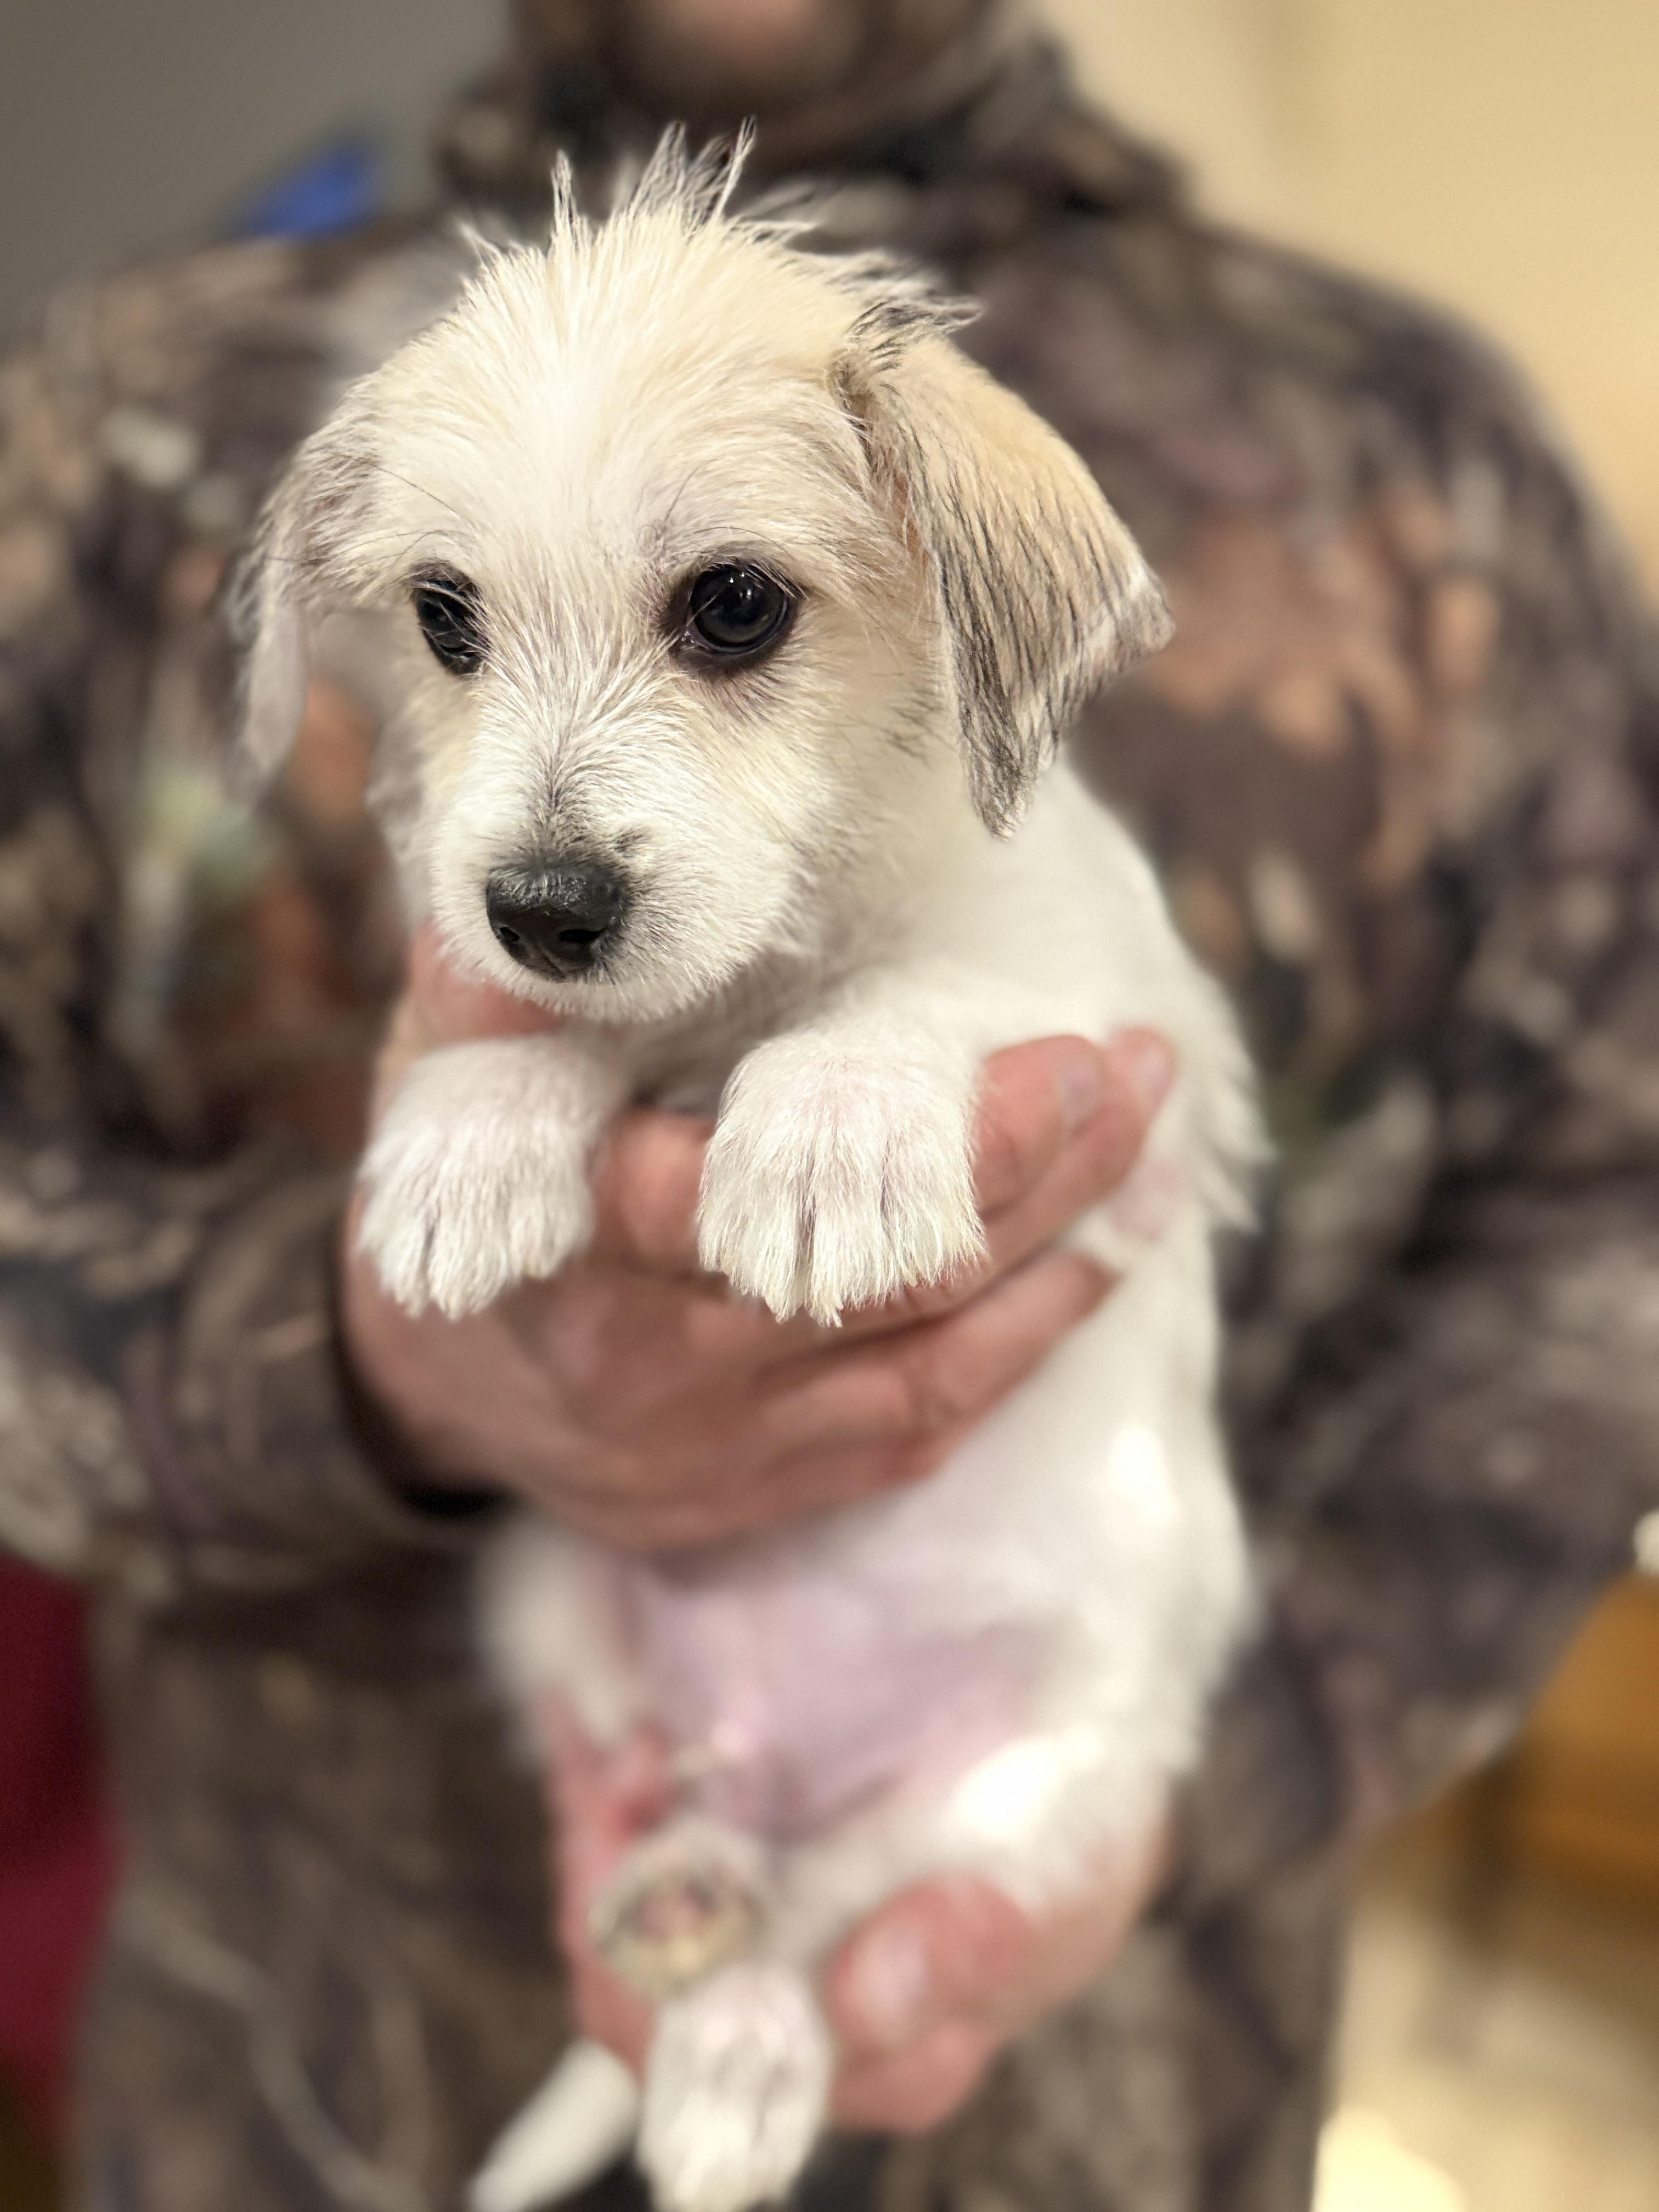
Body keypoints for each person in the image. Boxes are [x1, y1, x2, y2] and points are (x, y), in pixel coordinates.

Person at [2, 2, 1656, 2208]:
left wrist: (1192, 1771)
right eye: (458, 625)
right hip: (305, 2098)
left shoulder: (1419, 459)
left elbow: (1611, 1214)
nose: (543, 829)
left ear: (975, 614)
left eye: (732, 612)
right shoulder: (112, 412)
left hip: (1123, 2082)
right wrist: (359, 1367)